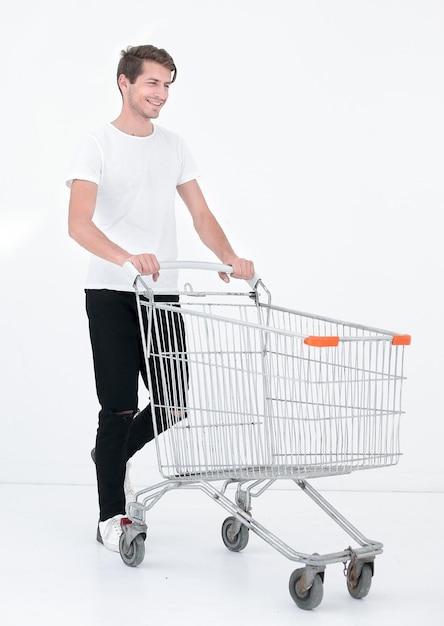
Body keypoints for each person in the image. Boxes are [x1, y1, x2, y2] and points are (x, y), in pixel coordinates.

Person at [66, 44, 255, 552]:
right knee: (119, 409)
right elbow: (78, 224)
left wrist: (230, 257)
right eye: (152, 83)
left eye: (168, 85)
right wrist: (126, 257)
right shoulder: (96, 144)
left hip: (162, 295)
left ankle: (110, 458)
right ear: (124, 83)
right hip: (111, 291)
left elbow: (200, 213)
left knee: (173, 402)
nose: (161, 94)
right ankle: (111, 517)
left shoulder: (174, 145)